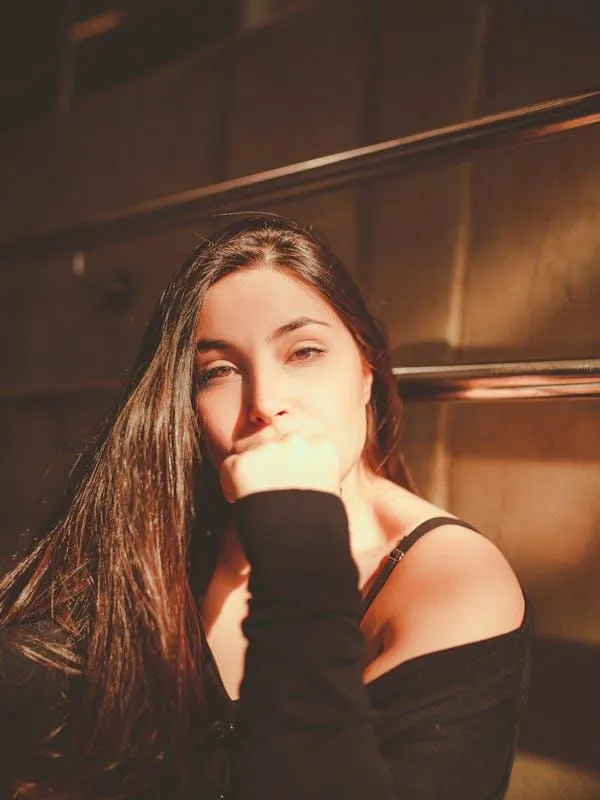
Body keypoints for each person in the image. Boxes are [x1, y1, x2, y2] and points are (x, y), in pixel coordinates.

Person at [0, 214, 532, 800]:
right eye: (220, 370)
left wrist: (296, 527)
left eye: (303, 352)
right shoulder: (162, 533)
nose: (265, 402)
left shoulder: (455, 580)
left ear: (367, 373)